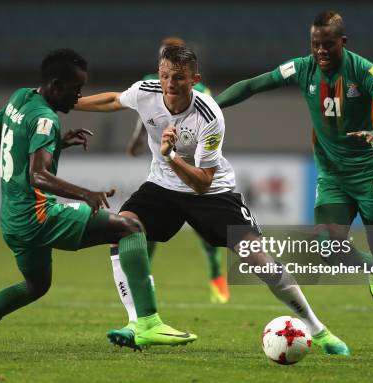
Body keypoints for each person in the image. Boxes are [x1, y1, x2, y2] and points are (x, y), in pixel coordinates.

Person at [75, 45, 349, 354]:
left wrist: (171, 156)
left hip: (212, 193)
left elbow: (203, 182)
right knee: (122, 227)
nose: (169, 84)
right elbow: (113, 99)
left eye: (178, 78)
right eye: (165, 75)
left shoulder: (209, 115)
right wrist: (68, 102)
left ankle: (318, 329)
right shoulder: (145, 92)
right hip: (162, 187)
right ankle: (139, 322)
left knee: (261, 262)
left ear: (195, 79)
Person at [0, 49, 197, 355]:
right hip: (38, 215)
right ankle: (148, 322)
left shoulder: (20, 97)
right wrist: (86, 194)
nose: (79, 97)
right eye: (75, 89)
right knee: (130, 226)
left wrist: (55, 144)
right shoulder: (46, 119)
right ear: (56, 85)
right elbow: (38, 175)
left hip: (12, 220)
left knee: (36, 286)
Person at [215, 10, 373, 353]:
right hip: (331, 175)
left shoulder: (364, 71)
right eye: (315, 45)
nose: (321, 52)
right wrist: (208, 106)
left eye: (328, 45)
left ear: (343, 42)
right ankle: (369, 266)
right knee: (327, 247)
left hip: (370, 174)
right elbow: (253, 85)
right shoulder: (302, 68)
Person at [126, 36, 228, 304]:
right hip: (164, 171)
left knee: (206, 231)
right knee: (145, 227)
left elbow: (206, 123)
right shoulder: (152, 82)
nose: (170, 80)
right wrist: (138, 138)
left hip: (192, 168)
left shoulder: (201, 91)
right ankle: (144, 280)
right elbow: (146, 112)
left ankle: (216, 274)